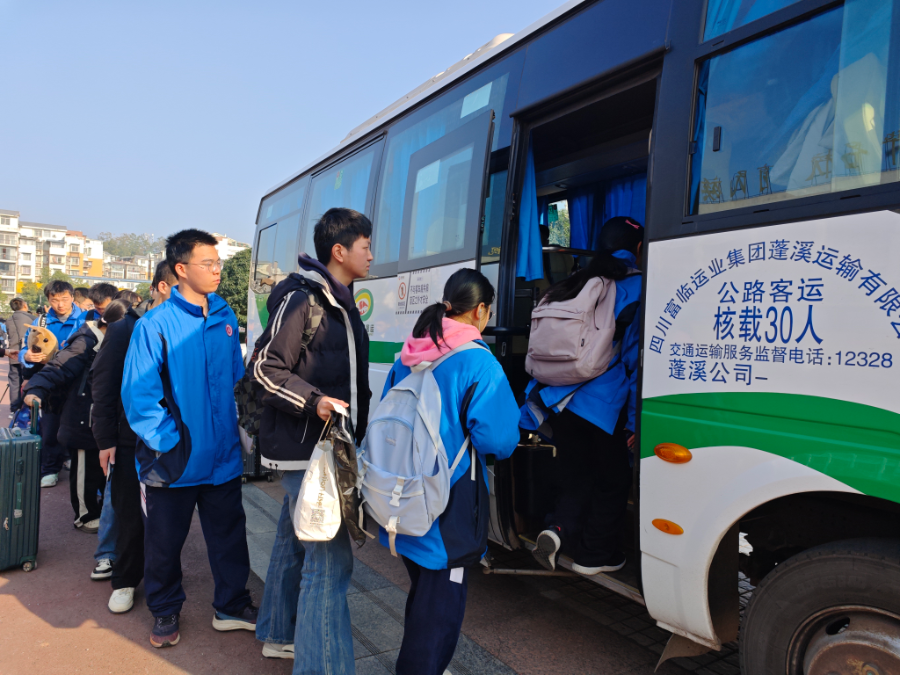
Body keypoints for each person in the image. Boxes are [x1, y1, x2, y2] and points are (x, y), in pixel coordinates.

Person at [380, 269, 519, 675]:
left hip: (403, 500)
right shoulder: (479, 363)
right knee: (438, 618)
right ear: (480, 310)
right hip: (447, 513)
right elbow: (499, 441)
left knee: (425, 602)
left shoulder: (409, 353)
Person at [253, 207, 372, 667]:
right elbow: (264, 369)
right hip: (309, 453)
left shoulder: (339, 300)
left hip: (319, 448)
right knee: (330, 566)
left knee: (292, 541)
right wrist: (314, 401)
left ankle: (278, 631)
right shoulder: (304, 299)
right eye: (365, 246)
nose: (371, 255)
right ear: (339, 251)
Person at [122, 230, 253, 649]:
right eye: (207, 263)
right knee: (164, 544)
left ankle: (232, 604)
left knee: (230, 536)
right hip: (174, 462)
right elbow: (139, 397)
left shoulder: (225, 317)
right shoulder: (154, 325)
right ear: (181, 269)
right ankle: (165, 609)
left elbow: (236, 380)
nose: (217, 270)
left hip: (222, 458)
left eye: (218, 263)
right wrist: (170, 441)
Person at [522, 216, 644, 575]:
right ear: (638, 249)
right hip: (603, 404)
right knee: (613, 481)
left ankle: (557, 530)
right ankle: (595, 556)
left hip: (558, 398)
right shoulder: (636, 286)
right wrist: (635, 421)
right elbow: (635, 359)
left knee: (577, 475)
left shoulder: (574, 281)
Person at [92, 261, 176, 614]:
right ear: (161, 287)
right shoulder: (126, 327)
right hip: (130, 439)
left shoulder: (187, 325)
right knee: (129, 513)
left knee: (166, 517)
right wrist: (105, 439)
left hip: (173, 438)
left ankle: (163, 579)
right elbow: (104, 383)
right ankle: (124, 580)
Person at [22, 298, 131, 535]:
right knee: (85, 470)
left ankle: (102, 511)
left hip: (104, 417)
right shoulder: (86, 341)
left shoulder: (115, 341)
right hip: (82, 416)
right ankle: (85, 515)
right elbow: (59, 367)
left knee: (103, 470)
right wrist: (35, 388)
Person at [20, 280, 86, 488]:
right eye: (54, 300)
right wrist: (27, 356)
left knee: (76, 424)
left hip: (77, 381)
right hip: (50, 381)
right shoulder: (41, 322)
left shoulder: (85, 319)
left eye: (65, 299)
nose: (60, 304)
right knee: (50, 426)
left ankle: (69, 458)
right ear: (48, 300)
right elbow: (25, 347)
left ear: (73, 298)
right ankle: (49, 469)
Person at [6, 298, 35, 418]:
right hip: (27, 355)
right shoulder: (32, 319)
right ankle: (27, 409)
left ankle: (14, 409)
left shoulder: (9, 320)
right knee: (29, 380)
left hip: (13, 354)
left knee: (14, 382)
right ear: (24, 305)